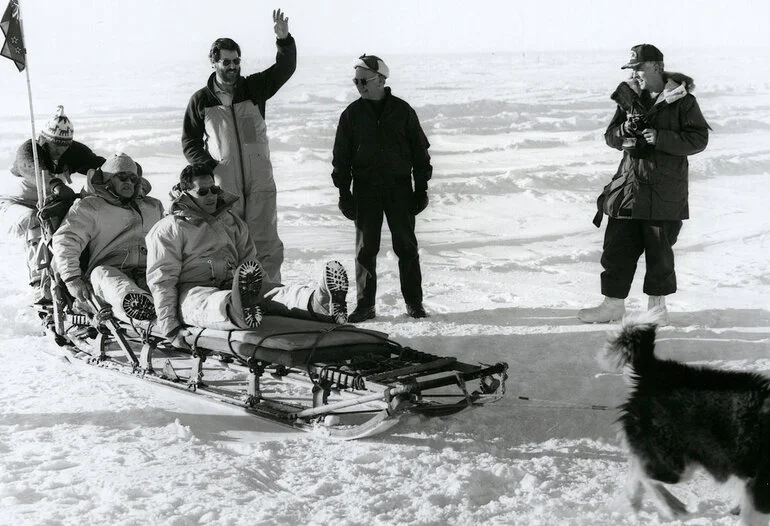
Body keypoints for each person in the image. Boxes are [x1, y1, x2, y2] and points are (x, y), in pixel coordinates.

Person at [145, 164, 349, 349]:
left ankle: (318, 301)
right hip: (192, 289)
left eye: (214, 189)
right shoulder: (169, 229)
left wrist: (262, 288)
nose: (211, 196)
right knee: (207, 303)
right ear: (185, 193)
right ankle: (238, 309)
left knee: (271, 292)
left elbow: (249, 262)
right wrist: (170, 327)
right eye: (203, 192)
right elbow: (163, 280)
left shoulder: (231, 221)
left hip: (237, 283)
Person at [579, 44, 709, 325]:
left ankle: (656, 311)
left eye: (639, 67)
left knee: (659, 254)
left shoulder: (683, 101)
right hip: (629, 188)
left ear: (657, 67)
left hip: (665, 192)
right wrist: (624, 130)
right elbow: (610, 137)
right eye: (632, 68)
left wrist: (660, 138)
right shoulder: (628, 98)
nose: (635, 73)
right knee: (616, 250)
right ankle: (613, 306)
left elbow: (699, 140)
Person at [181, 9, 296, 284]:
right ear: (214, 62)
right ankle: (233, 294)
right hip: (225, 186)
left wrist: (284, 40)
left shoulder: (254, 87)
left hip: (260, 181)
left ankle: (271, 294)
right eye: (227, 62)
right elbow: (190, 142)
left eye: (236, 62)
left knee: (265, 242)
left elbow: (285, 68)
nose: (233, 67)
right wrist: (210, 166)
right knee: (228, 242)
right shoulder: (201, 100)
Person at [331, 54, 433, 322]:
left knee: (406, 248)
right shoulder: (351, 115)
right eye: (356, 81)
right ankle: (365, 306)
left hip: (399, 189)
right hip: (366, 191)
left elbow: (421, 153)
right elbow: (340, 159)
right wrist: (344, 193)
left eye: (364, 80)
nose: (359, 85)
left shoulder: (403, 111)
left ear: (381, 80)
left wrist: (420, 189)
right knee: (366, 251)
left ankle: (414, 303)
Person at [0, 106, 105, 303]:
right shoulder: (28, 150)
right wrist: (55, 184)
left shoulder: (72, 150)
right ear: (44, 139)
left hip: (50, 201)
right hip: (17, 204)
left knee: (74, 224)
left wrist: (125, 172)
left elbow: (99, 165)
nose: (60, 150)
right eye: (55, 145)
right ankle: (39, 282)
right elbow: (33, 169)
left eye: (65, 146)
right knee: (37, 221)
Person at [51, 153, 164, 322]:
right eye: (122, 177)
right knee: (103, 274)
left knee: (164, 280)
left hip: (145, 273)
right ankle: (136, 305)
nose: (128, 182)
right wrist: (72, 278)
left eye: (133, 179)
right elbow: (67, 240)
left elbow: (168, 238)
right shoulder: (89, 207)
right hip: (107, 276)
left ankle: (171, 308)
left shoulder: (153, 207)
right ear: (107, 180)